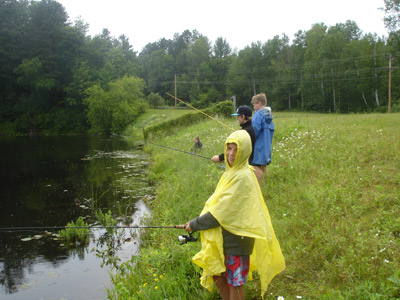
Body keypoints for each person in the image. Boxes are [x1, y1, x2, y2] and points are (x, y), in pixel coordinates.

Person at [185, 130, 285, 300]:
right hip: (224, 239)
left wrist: (194, 224)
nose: (230, 154)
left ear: (245, 150)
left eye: (235, 149)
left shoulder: (243, 177)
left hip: (237, 242)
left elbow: (219, 214)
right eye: (228, 149)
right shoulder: (233, 173)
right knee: (218, 275)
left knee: (235, 284)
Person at [251, 93, 274, 186]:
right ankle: (266, 184)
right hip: (266, 145)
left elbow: (254, 130)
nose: (254, 107)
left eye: (254, 104)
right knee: (263, 165)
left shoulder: (258, 115)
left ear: (259, 103)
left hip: (258, 145)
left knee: (254, 164)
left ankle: (260, 186)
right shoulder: (269, 115)